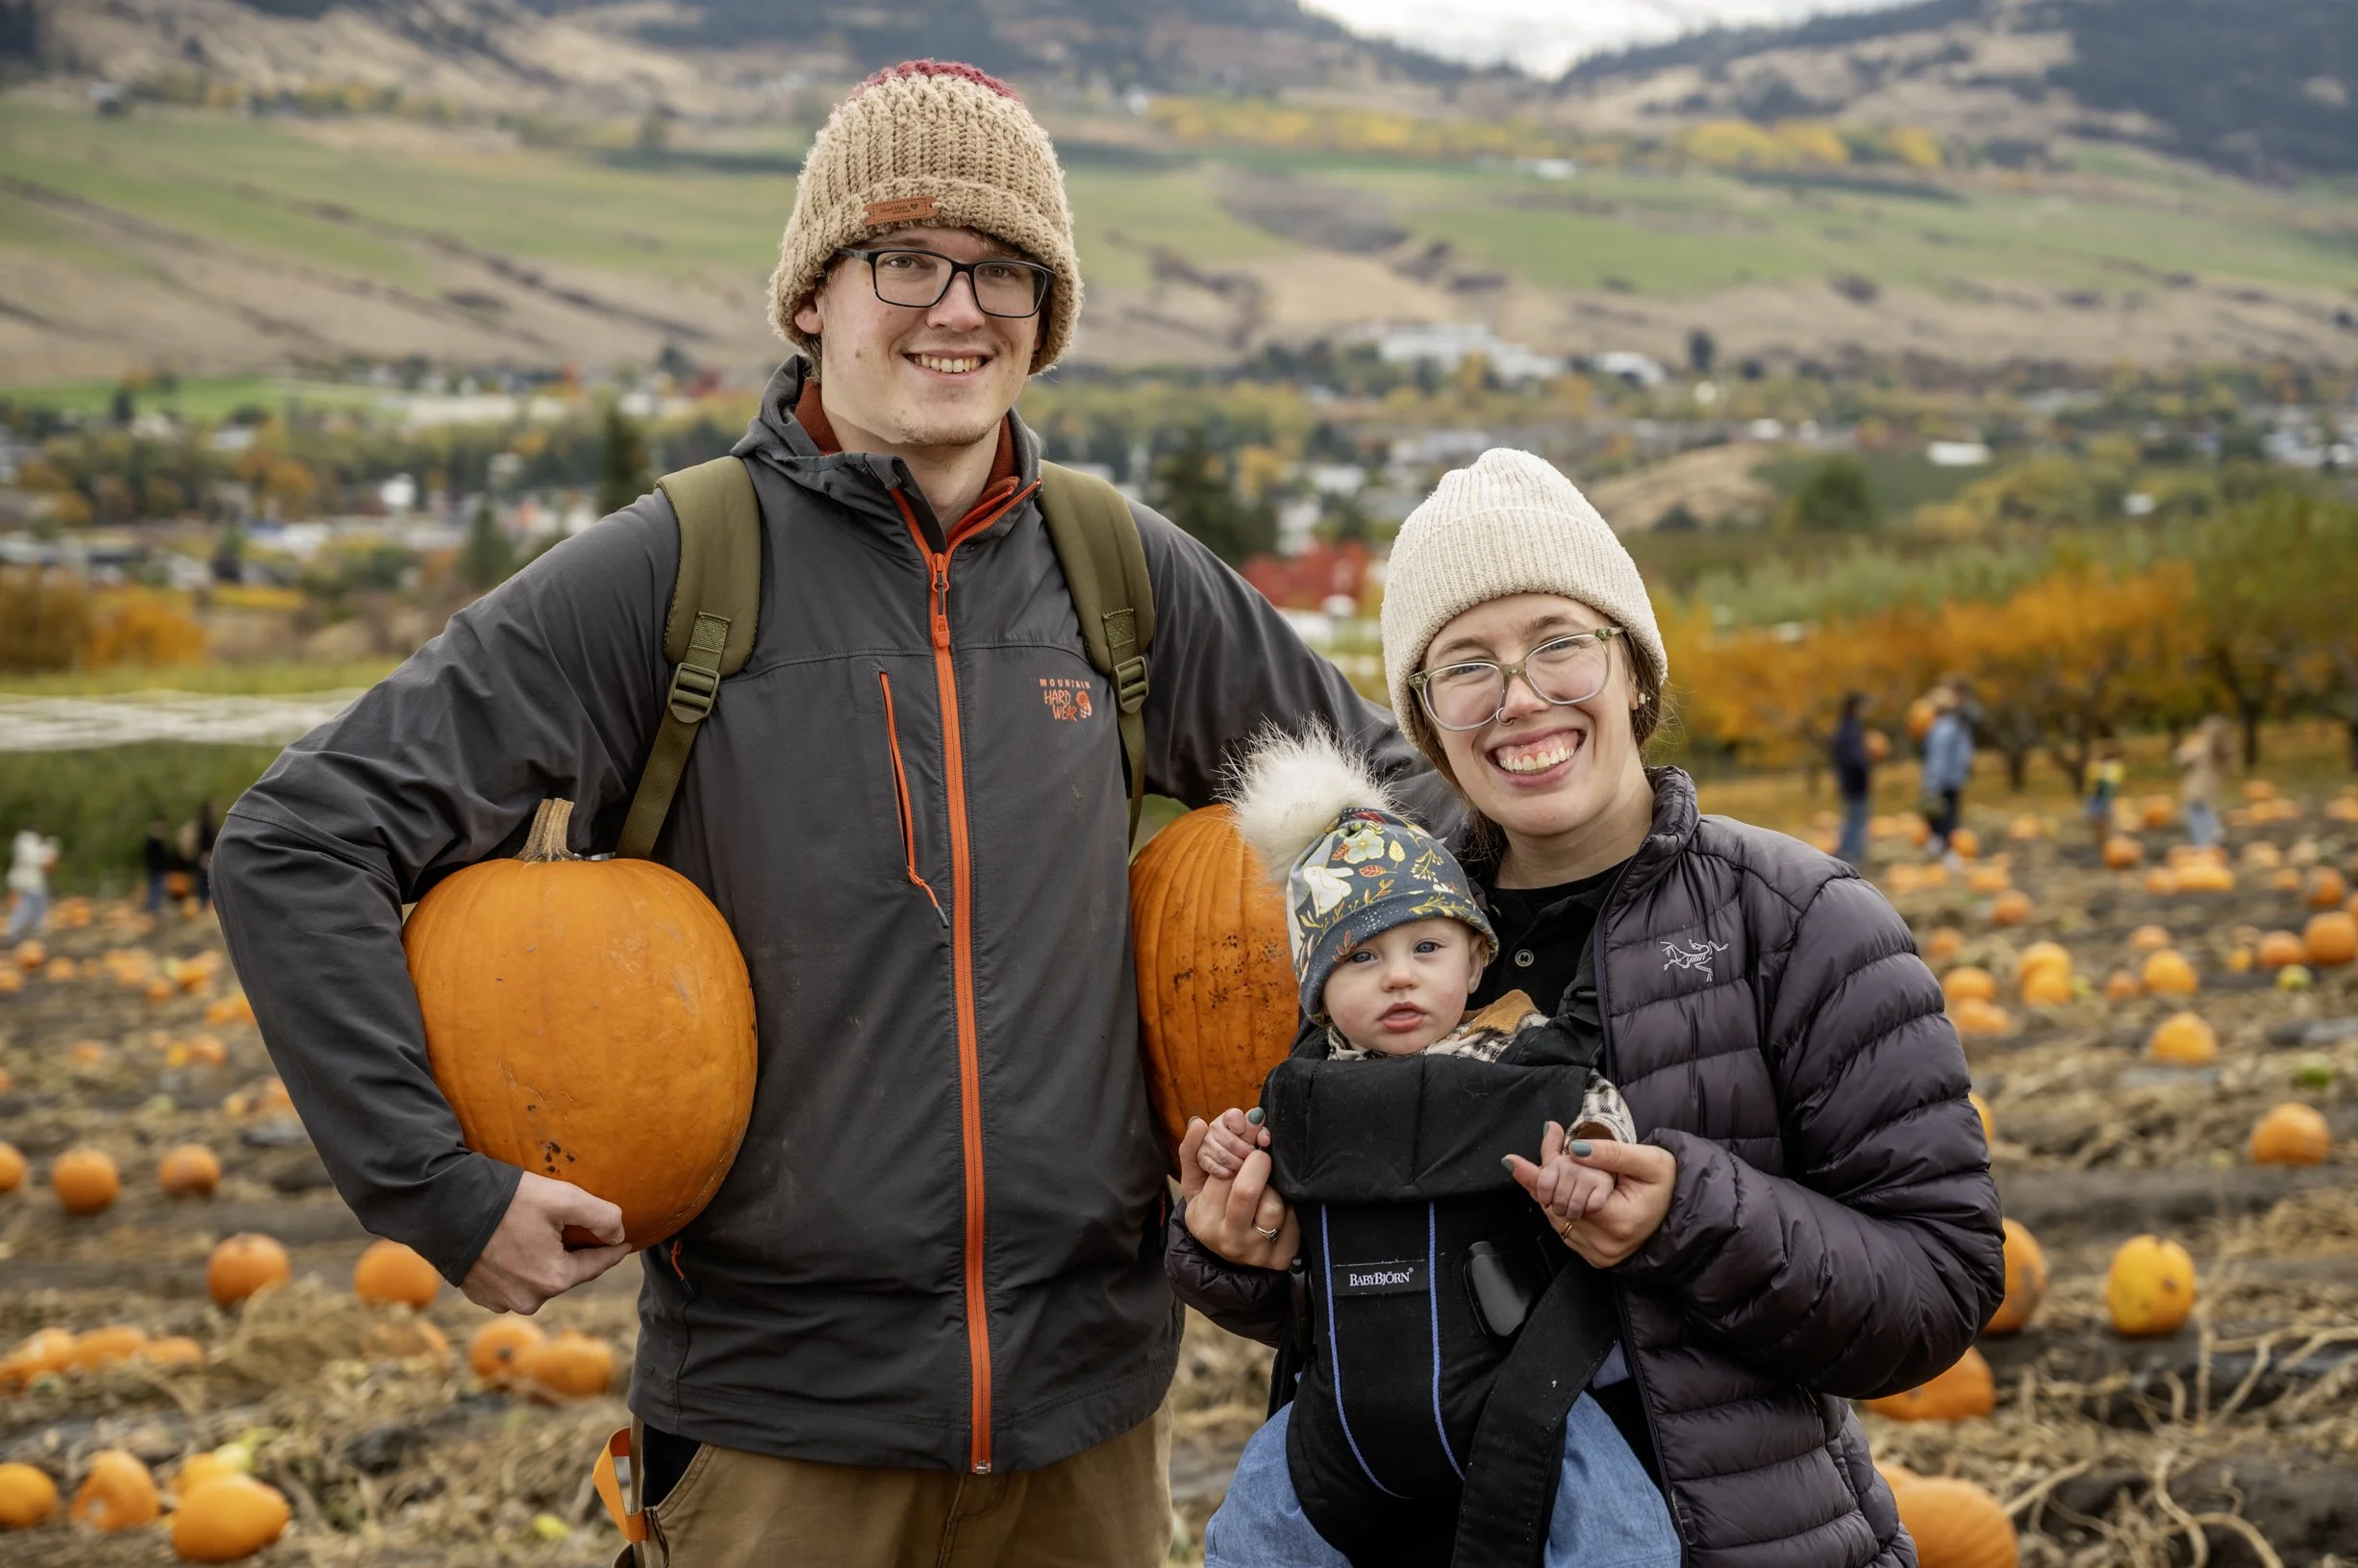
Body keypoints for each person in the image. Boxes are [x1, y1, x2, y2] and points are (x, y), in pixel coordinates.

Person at [213, 59, 1448, 1568]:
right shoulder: (671, 573)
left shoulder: (1119, 572)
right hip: (777, 1437)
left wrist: (1363, 1080)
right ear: (813, 295)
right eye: (907, 257)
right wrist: (440, 1188)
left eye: (1005, 270)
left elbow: (1398, 805)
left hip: (1093, 1421)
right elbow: (299, 838)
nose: (957, 305)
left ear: (1047, 318)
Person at [1173, 450, 2001, 1567]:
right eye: (1463, 665)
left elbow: (1940, 1286)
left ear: (1634, 671)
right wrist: (1245, 1253)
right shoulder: (1376, 944)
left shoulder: (1801, 919)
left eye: (1559, 641)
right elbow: (1380, 1293)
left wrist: (1687, 1217)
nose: (1519, 697)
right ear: (1425, 717)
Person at [1176, 727, 1673, 1568]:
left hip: (1521, 1390)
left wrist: (1589, 1155)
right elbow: (1263, 1181)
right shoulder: (1305, 1090)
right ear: (1320, 996)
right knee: (1251, 1534)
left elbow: (1596, 1112)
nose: (1399, 976)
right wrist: (1231, 1157)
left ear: (1478, 959)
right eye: (1361, 957)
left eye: (1427, 947)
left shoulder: (1522, 1056)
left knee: (1625, 1538)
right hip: (1345, 1404)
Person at [1920, 684, 1975, 859]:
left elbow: (1938, 758)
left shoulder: (1940, 729)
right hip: (1955, 778)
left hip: (1943, 780)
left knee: (1939, 817)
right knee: (1951, 815)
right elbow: (1965, 753)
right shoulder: (1958, 726)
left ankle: (1945, 851)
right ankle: (1948, 850)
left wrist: (1932, 783)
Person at [2176, 715, 2232, 849]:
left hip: (2196, 788)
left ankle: (2206, 845)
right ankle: (2217, 836)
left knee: (2197, 820)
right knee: (2206, 813)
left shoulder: (2201, 746)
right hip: (2211, 788)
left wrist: (2187, 745)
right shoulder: (2224, 748)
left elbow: (2179, 757)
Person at [1831, 690, 1873, 866]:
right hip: (1855, 782)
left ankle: (1847, 853)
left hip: (1850, 782)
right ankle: (1849, 856)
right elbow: (1854, 760)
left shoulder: (1844, 728)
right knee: (1856, 821)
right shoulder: (1850, 731)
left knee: (1853, 819)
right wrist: (1867, 763)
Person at [5, 823, 57, 941]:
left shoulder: (25, 843)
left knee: (31, 909)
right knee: (24, 910)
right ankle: (16, 934)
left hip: (30, 883)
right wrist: (50, 853)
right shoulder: (26, 843)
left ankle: (24, 934)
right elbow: (40, 860)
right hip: (28, 883)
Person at [2084, 740, 2125, 847]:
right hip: (2097, 795)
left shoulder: (2113, 767)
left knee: (2104, 819)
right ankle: (2101, 840)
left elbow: (2112, 782)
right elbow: (2093, 780)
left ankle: (2106, 841)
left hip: (2104, 795)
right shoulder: (2097, 766)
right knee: (2098, 819)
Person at [142, 815, 174, 913]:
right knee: (155, 890)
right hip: (156, 870)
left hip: (159, 870)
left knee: (158, 891)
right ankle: (152, 909)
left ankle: (153, 909)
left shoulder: (160, 842)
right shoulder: (153, 842)